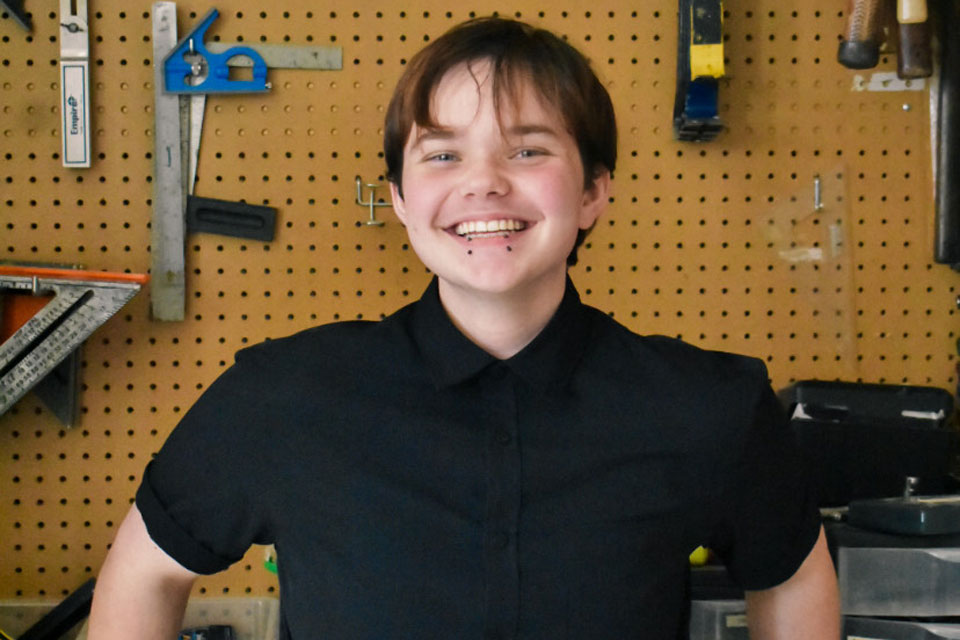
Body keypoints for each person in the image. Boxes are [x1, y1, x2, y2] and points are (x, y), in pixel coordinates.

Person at [89, 17, 840, 639]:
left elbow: (793, 576)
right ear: (400, 198)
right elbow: (147, 572)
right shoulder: (284, 399)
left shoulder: (708, 406)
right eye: (443, 154)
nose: (483, 182)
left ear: (594, 191)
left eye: (528, 150)